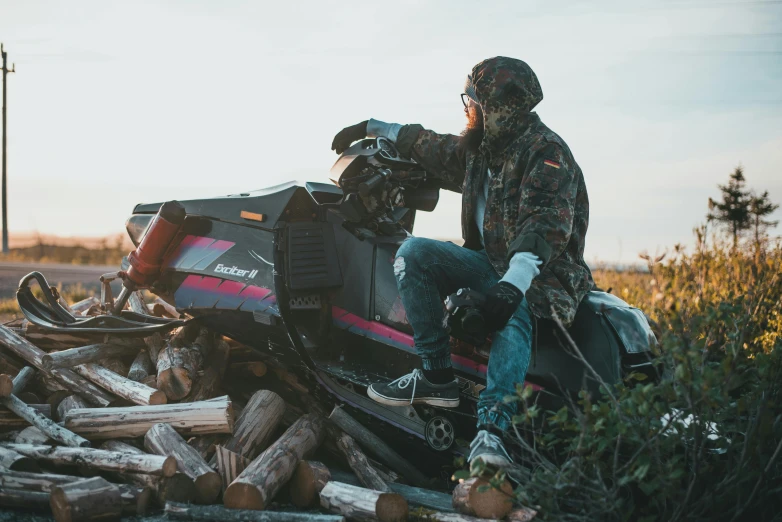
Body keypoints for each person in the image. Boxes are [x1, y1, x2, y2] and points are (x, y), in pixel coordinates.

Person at [331, 56, 594, 468]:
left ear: (494, 106)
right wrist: (372, 127)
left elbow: (544, 227)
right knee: (413, 253)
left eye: (470, 100)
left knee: (514, 311)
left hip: (543, 276)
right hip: (490, 261)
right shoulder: (479, 148)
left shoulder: (547, 155)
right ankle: (436, 376)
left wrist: (511, 285)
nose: (466, 108)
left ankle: (493, 431)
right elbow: (429, 146)